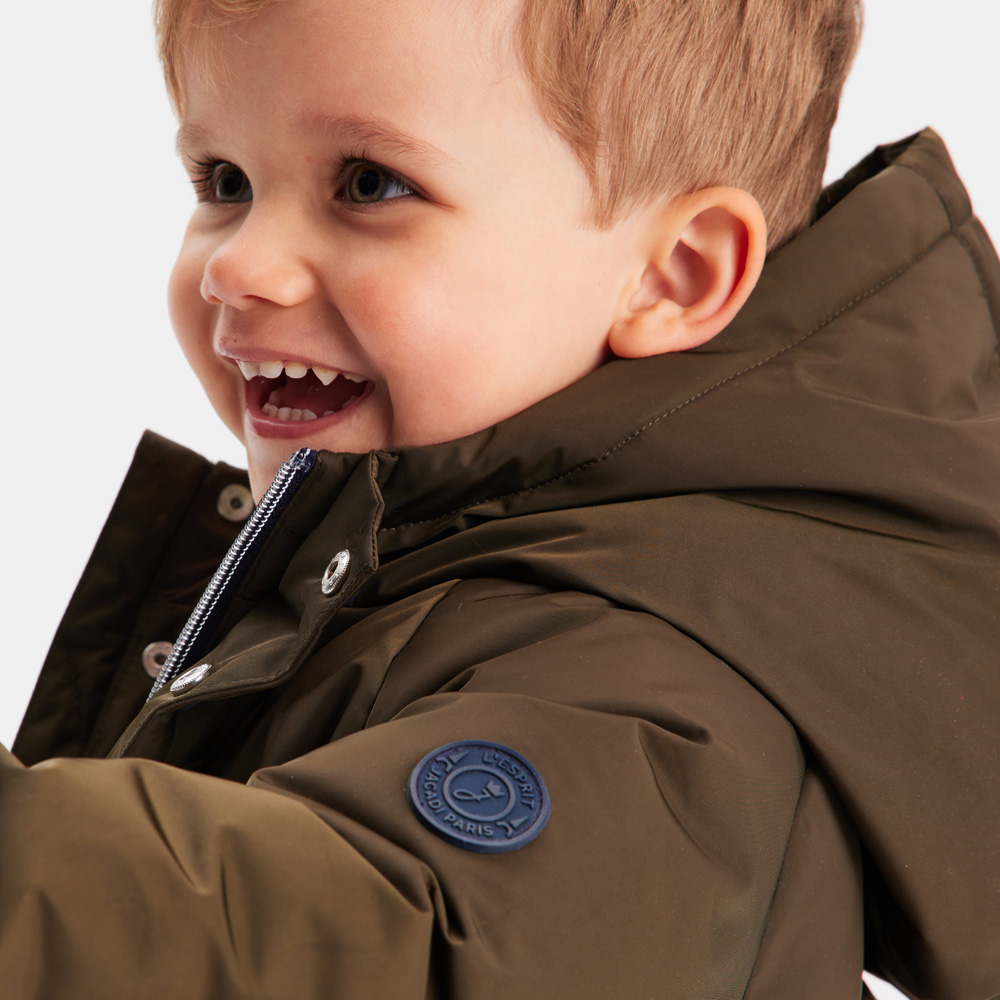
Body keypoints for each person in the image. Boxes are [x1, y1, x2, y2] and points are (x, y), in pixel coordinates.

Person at [3, 0, 998, 997]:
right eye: (226, 181)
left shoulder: (647, 693)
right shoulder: (404, 590)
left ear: (674, 275)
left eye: (368, 184)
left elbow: (400, 948)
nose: (237, 268)